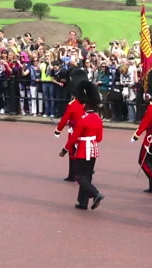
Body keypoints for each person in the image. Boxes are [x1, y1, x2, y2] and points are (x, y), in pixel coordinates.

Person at [59, 81, 105, 210]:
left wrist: (64, 150)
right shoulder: (98, 118)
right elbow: (100, 138)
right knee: (87, 175)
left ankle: (95, 194)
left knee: (79, 175)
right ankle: (82, 202)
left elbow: (73, 138)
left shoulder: (83, 119)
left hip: (83, 149)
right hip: (94, 149)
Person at [54, 69, 89, 182]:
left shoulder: (72, 104)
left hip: (74, 130)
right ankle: (85, 170)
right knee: (84, 151)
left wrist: (58, 130)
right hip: (86, 131)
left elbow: (65, 118)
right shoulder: (88, 103)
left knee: (72, 153)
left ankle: (73, 175)